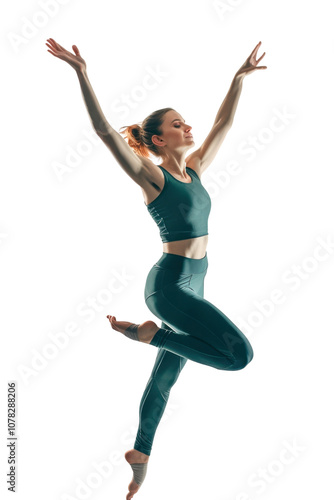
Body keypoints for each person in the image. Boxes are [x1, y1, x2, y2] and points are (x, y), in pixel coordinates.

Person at [46, 37, 266, 500]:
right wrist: (82, 73)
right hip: (168, 288)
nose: (189, 126)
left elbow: (225, 121)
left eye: (186, 121)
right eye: (177, 123)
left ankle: (140, 456)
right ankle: (150, 335)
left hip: (196, 284)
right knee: (238, 357)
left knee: (164, 380)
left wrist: (238, 78)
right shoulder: (154, 177)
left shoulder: (197, 169)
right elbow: (107, 133)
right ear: (157, 140)